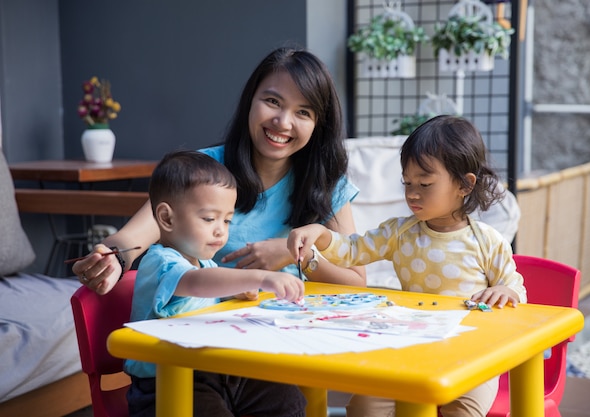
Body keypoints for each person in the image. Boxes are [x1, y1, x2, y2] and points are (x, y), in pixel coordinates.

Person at [73, 46, 366, 294]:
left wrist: (296, 255)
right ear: (250, 100)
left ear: (318, 125)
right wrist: (110, 258)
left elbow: (356, 281)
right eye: (273, 101)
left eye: (303, 112)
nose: (283, 122)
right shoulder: (202, 170)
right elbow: (132, 238)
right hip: (209, 333)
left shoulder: (326, 182)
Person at [287, 115, 528, 417]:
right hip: (411, 349)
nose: (412, 193)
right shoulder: (399, 233)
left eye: (425, 183)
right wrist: (321, 235)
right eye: (407, 182)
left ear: (465, 185)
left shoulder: (486, 240)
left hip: (474, 354)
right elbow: (352, 250)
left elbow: (515, 285)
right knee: (364, 406)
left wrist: (506, 290)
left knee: (463, 412)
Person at [125, 150, 306, 417]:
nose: (221, 230)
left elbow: (206, 294)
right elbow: (197, 284)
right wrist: (262, 277)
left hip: (214, 370)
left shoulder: (204, 263)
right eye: (209, 219)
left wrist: (234, 293)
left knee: (287, 398)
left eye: (227, 220)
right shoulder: (160, 262)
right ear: (167, 218)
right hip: (166, 383)